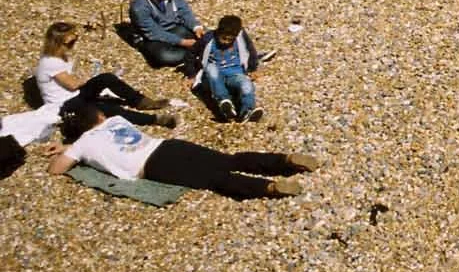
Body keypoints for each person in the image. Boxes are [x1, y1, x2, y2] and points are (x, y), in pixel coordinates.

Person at [46, 103, 323, 200]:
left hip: (153, 164)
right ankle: (284, 160)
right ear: (99, 115)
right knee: (231, 159)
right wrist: (74, 145)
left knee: (216, 180)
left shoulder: (83, 143)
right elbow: (101, 137)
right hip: (167, 146)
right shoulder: (116, 121)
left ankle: (271, 188)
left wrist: (69, 149)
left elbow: (56, 169)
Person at [33, 22, 176, 127]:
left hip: (75, 96)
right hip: (64, 104)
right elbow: (72, 85)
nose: (76, 37)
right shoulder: (50, 62)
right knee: (110, 109)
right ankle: (154, 120)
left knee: (107, 78)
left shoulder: (60, 57)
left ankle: (141, 101)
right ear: (64, 39)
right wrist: (88, 80)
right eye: (73, 35)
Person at [126, 0, 208, 71]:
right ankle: (195, 52)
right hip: (154, 39)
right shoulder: (139, 7)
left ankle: (195, 50)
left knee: (204, 35)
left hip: (176, 28)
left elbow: (184, 10)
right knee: (164, 56)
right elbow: (155, 33)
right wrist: (183, 42)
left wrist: (196, 27)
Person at [196, 15, 263, 122]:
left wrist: (252, 69)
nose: (226, 42)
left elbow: (251, 50)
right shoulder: (208, 38)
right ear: (218, 32)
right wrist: (191, 75)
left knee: (246, 84)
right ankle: (224, 101)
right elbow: (191, 54)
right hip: (214, 77)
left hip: (235, 73)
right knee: (212, 69)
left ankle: (247, 110)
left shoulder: (241, 37)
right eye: (223, 38)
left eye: (230, 39)